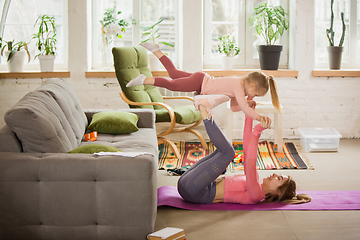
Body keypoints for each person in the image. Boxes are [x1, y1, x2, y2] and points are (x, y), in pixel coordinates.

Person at [176, 103, 311, 205]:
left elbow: (251, 162)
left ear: (278, 192)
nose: (275, 174)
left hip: (194, 191)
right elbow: (247, 152)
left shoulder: (256, 195)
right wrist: (249, 115)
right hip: (189, 184)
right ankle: (206, 115)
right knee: (223, 151)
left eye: (279, 179)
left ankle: (205, 115)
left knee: (228, 153)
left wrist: (258, 131)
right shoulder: (256, 181)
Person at [126, 42, 281, 122]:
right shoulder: (238, 86)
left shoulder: (238, 88)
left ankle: (156, 50)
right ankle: (144, 80)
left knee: (173, 73)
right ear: (252, 85)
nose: (253, 97)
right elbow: (243, 107)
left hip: (201, 79)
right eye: (255, 94)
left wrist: (249, 104)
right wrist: (259, 117)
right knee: (172, 85)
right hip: (200, 82)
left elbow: (235, 108)